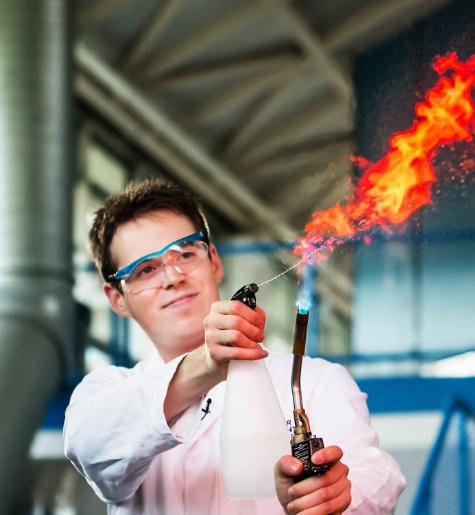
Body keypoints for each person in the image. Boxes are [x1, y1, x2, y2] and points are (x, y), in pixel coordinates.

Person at [64, 179, 405, 514]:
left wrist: (335, 498)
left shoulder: (314, 381)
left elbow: (375, 478)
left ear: (213, 261)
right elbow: (90, 447)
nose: (172, 277)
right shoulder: (104, 392)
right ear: (116, 299)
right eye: (145, 270)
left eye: (184, 253)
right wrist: (205, 364)